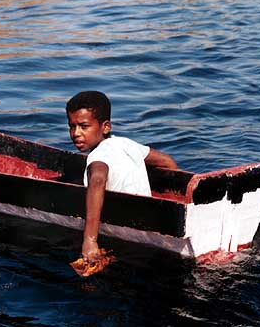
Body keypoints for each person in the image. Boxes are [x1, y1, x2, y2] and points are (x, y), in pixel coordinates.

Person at [66, 91, 178, 263]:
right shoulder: (126, 144)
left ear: (105, 127)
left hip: (132, 231)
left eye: (84, 126)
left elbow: (97, 180)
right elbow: (167, 162)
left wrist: (90, 241)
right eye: (71, 126)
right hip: (150, 216)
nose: (76, 133)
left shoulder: (97, 157)